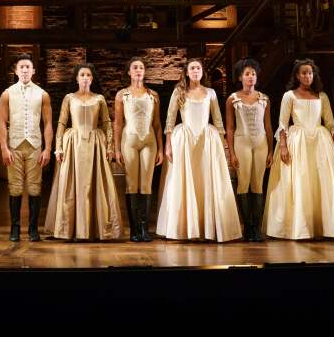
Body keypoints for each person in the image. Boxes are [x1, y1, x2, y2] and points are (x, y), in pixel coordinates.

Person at [263, 58, 334, 240]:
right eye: (303, 73)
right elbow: (282, 123)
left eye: (310, 73)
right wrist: (283, 146)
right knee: (300, 181)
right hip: (298, 141)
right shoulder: (290, 96)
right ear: (297, 75)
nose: (307, 76)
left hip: (320, 142)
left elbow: (329, 122)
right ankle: (302, 227)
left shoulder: (322, 96)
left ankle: (326, 226)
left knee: (323, 183)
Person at [156, 58, 242, 242]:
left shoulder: (210, 93)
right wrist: (168, 145)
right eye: (192, 68)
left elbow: (218, 120)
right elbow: (170, 120)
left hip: (206, 139)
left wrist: (222, 144)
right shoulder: (179, 92)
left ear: (202, 72)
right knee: (185, 181)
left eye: (198, 68)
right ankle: (186, 227)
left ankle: (206, 226)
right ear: (187, 72)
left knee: (205, 181)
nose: (196, 71)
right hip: (185, 140)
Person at [43, 63, 123, 241]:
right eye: (82, 75)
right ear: (77, 79)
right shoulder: (69, 98)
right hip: (74, 144)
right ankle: (72, 228)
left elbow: (106, 123)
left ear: (92, 79)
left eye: (88, 75)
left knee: (96, 185)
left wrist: (109, 146)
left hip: (95, 144)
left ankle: (95, 228)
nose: (85, 77)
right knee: (73, 185)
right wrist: (58, 147)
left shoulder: (99, 98)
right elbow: (62, 122)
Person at [0, 53, 53, 241]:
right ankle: (14, 228)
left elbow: (48, 124)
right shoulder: (7, 93)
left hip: (35, 145)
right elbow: (2, 123)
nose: (25, 70)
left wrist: (47, 149)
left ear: (33, 70)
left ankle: (33, 228)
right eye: (21, 67)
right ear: (16, 70)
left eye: (28, 67)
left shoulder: (42, 94)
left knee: (35, 188)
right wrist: (4, 148)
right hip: (14, 145)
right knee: (15, 187)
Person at [113, 57, 163, 242]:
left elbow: (157, 124)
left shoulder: (153, 95)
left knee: (146, 184)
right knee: (132, 184)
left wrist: (160, 148)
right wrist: (116, 148)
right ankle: (134, 229)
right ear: (129, 72)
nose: (138, 70)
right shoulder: (122, 95)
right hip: (129, 141)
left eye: (141, 67)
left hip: (149, 141)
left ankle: (145, 229)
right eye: (135, 67)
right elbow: (118, 123)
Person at [226, 57, 272, 242]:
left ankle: (256, 227)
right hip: (241, 142)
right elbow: (229, 127)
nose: (251, 77)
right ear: (240, 77)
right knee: (243, 183)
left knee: (258, 185)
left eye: (253, 74)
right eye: (247, 74)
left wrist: (270, 150)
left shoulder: (264, 98)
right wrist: (231, 152)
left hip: (260, 142)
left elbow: (268, 126)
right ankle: (247, 228)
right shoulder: (233, 99)